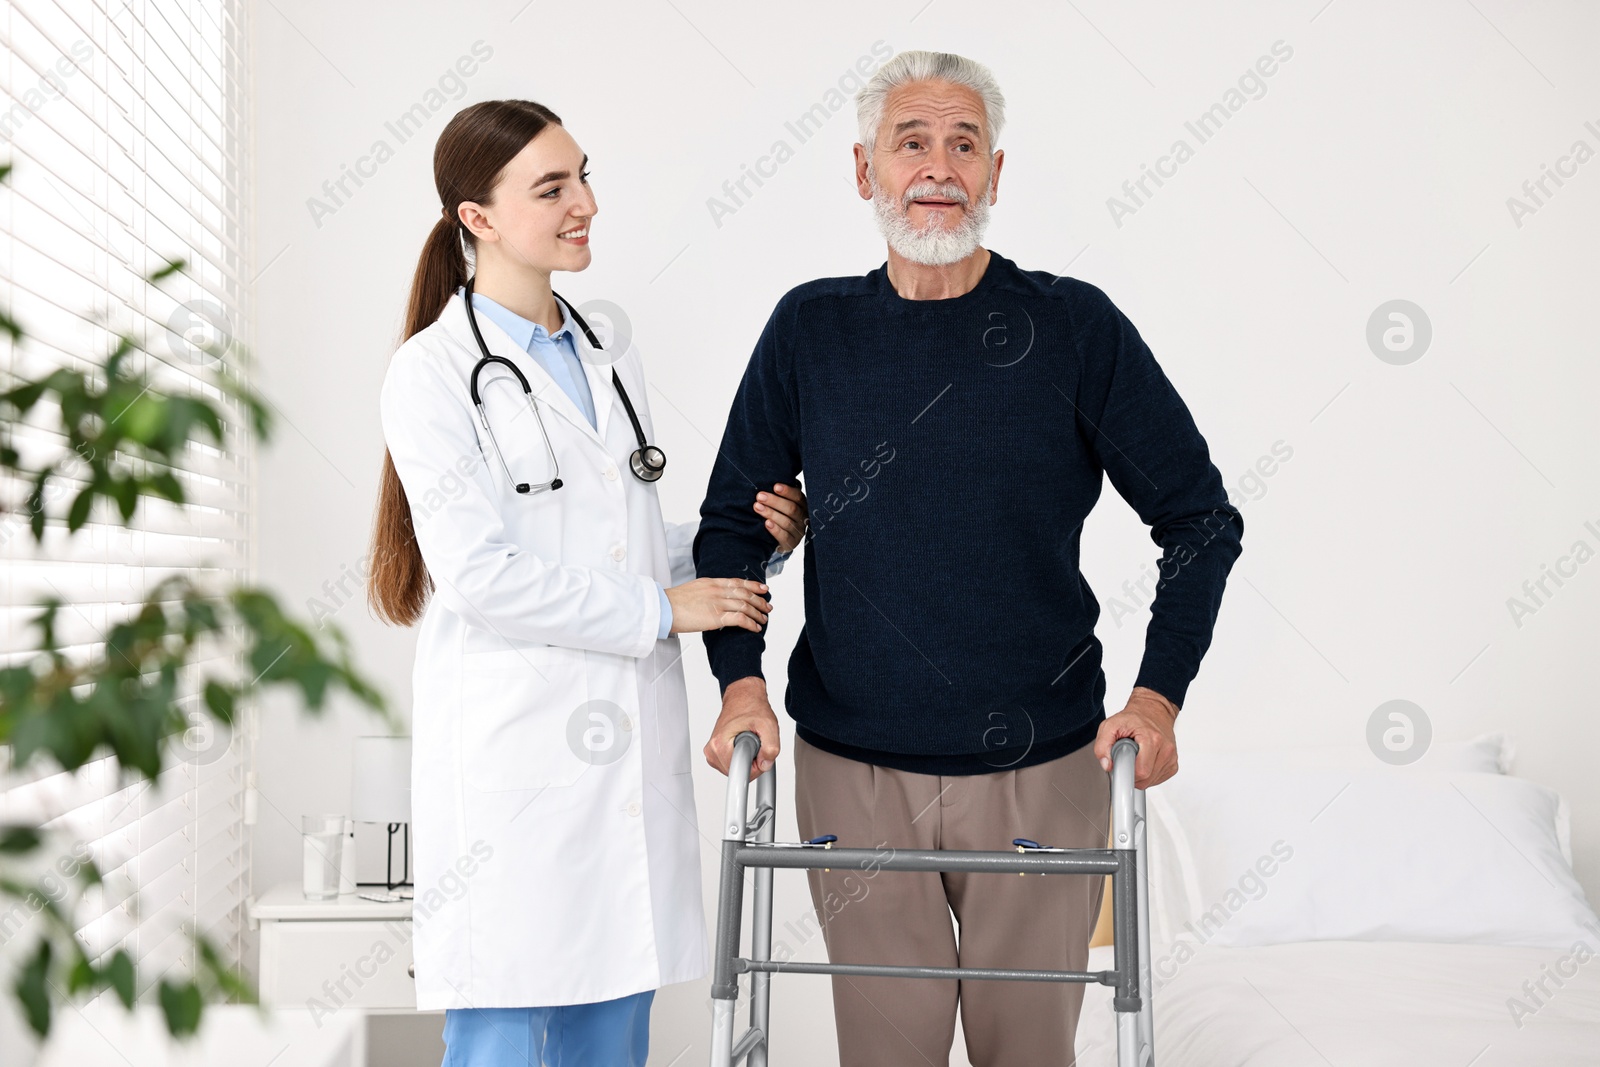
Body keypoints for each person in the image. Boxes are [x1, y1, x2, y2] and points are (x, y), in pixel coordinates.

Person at [694, 51, 1244, 1065]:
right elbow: (733, 523)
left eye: (962, 145)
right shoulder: (811, 328)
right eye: (911, 143)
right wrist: (739, 687)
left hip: (1041, 760)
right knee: (888, 1048)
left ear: (995, 174)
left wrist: (1157, 697)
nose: (937, 167)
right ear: (865, 171)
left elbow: (1200, 519)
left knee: (1026, 1049)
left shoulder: (1073, 327)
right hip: (852, 760)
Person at [367, 99, 809, 1067]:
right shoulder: (431, 373)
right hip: (517, 787)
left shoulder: (606, 352)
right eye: (553, 187)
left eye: (585, 177)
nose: (587, 204)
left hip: (623, 786)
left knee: (615, 1039)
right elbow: (482, 574)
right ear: (475, 218)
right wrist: (661, 609)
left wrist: (747, 548)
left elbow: (621, 547)